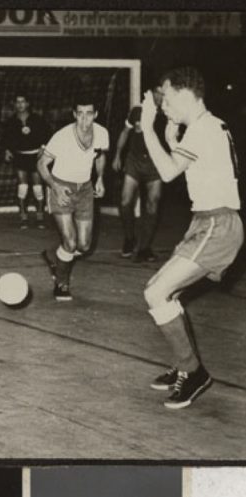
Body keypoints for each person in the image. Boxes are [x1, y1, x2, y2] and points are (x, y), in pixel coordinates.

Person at [140, 67, 244, 409]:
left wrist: (147, 129)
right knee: (165, 290)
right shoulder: (207, 126)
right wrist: (171, 139)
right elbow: (190, 163)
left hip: (217, 225)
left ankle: (193, 371)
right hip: (207, 222)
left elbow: (169, 172)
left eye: (166, 98)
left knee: (156, 292)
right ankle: (184, 363)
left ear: (185, 94)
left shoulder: (203, 130)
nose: (163, 105)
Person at [37, 95, 109, 301]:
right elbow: (41, 164)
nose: (84, 120)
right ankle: (61, 282)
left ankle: (56, 256)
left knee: (84, 246)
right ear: (74, 115)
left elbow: (100, 155)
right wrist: (55, 187)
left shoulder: (102, 133)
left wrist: (100, 178)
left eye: (89, 114)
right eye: (80, 114)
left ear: (95, 114)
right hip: (62, 186)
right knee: (70, 243)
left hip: (85, 189)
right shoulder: (62, 137)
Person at [112, 87, 166, 262]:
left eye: (163, 93)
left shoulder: (168, 114)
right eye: (157, 92)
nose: (159, 96)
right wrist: (118, 155)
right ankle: (129, 238)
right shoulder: (137, 111)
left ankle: (145, 248)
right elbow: (125, 132)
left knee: (152, 204)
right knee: (125, 201)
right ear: (151, 93)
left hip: (155, 163)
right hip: (134, 161)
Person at [4, 93, 51, 229]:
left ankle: (40, 217)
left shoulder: (37, 119)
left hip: (36, 157)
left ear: (28, 104)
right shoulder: (11, 121)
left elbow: (47, 134)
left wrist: (43, 147)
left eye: (23, 101)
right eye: (17, 102)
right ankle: (23, 217)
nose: (20, 104)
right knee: (22, 188)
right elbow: (7, 138)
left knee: (38, 188)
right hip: (20, 157)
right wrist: (7, 150)